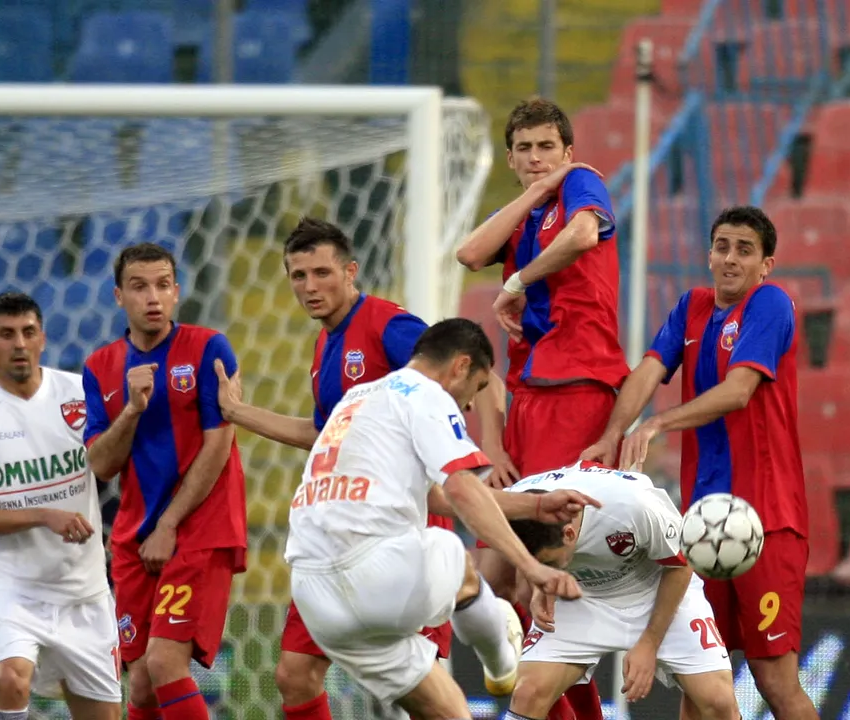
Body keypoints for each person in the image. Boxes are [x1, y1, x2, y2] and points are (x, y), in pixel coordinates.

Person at [212, 217, 516, 720]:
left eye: (322, 273)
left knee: (417, 698)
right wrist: (239, 413)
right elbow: (321, 434)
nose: (310, 286)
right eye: (298, 275)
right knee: (293, 673)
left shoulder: (387, 326)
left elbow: (470, 370)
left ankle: (485, 620)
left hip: (401, 529)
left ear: (351, 271)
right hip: (339, 535)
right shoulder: (323, 345)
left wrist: (495, 450)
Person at [284, 318, 592, 720]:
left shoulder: (356, 398)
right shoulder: (425, 394)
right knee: (455, 554)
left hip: (314, 595)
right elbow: (462, 490)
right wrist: (530, 566)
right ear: (460, 366)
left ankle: (498, 654)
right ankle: (503, 662)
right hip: (374, 572)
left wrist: (533, 507)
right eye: (477, 389)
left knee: (451, 714)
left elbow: (439, 497)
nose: (467, 405)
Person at [582, 205, 819, 719]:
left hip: (764, 522)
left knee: (775, 680)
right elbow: (648, 369)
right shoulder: (691, 306)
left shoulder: (770, 305)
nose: (730, 259)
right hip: (701, 525)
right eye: (722, 247)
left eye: (744, 250)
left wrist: (658, 423)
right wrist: (611, 434)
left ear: (766, 264)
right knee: (701, 677)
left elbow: (738, 391)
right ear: (709, 254)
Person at [454, 96, 629, 720]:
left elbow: (584, 234)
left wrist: (518, 282)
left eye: (546, 148)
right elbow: (469, 253)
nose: (535, 158)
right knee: (491, 577)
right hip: (528, 402)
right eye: (524, 149)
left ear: (568, 153)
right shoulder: (528, 215)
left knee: (540, 578)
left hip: (576, 391)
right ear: (511, 157)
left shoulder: (583, 187)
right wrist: (496, 446)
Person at [83, 244, 247, 720]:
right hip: (136, 536)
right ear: (119, 296)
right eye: (139, 286)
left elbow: (219, 442)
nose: (152, 297)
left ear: (177, 292)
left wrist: (171, 523)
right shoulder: (100, 367)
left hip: (199, 526)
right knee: (140, 685)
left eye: (162, 285)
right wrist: (132, 408)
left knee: (163, 662)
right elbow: (101, 464)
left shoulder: (209, 347)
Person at [0, 292, 120, 720]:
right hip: (13, 591)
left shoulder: (79, 393)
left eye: (28, 332)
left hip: (85, 593)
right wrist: (43, 514)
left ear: (42, 338)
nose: (19, 343)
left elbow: (118, 461)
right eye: (6, 334)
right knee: (9, 679)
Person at [503, 462, 740, 720]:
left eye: (547, 561)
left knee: (718, 702)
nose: (541, 567)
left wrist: (649, 644)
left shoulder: (632, 506)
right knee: (528, 693)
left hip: (658, 589)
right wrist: (542, 583)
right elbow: (520, 552)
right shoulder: (513, 502)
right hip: (581, 595)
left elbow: (681, 565)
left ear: (569, 533)